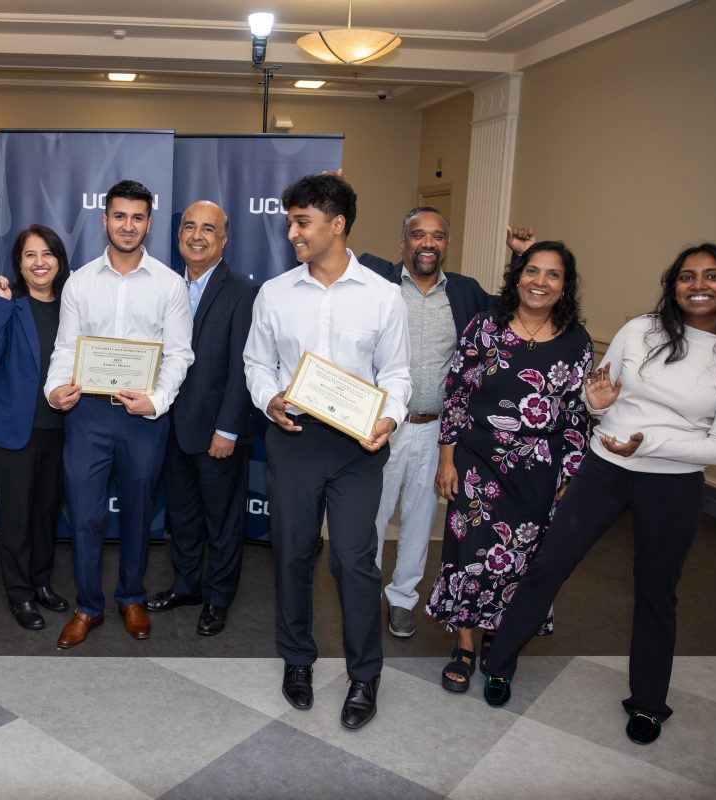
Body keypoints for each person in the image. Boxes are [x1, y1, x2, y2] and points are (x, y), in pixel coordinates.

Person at [484, 243, 716, 745]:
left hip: (674, 485)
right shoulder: (641, 330)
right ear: (673, 285)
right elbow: (598, 396)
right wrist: (593, 402)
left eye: (712, 277)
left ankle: (648, 703)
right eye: (687, 276)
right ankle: (499, 664)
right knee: (548, 564)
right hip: (605, 468)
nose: (698, 285)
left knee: (655, 593)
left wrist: (652, 443)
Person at [243, 173, 411, 730]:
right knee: (291, 553)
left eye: (301, 221)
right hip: (294, 440)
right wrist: (270, 400)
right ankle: (297, 660)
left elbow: (397, 374)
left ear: (336, 225)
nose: (291, 231)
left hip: (358, 449)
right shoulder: (274, 293)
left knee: (353, 560)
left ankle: (366, 673)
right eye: (290, 221)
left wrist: (389, 417)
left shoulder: (385, 296)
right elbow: (256, 363)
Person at [425, 240, 592, 694]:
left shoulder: (577, 340)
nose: (540, 281)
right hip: (476, 464)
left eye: (552, 274)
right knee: (467, 551)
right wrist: (446, 457)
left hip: (539, 469)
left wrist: (570, 474)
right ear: (517, 277)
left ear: (565, 285)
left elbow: (578, 413)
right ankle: (462, 643)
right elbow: (457, 393)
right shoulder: (485, 327)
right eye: (532, 271)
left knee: (520, 559)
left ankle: (501, 645)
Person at [45, 179, 194, 649]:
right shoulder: (80, 282)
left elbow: (180, 354)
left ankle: (130, 596)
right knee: (86, 517)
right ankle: (88, 605)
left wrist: (158, 400)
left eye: (137, 217)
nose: (127, 226)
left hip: (144, 419)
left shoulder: (170, 285)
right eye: (119, 216)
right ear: (104, 219)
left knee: (137, 515)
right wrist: (54, 390)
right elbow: (66, 348)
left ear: (149, 223)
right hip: (87, 416)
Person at [360, 207, 492, 638]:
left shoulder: (466, 292)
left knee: (419, 518)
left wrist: (520, 258)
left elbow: (514, 313)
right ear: (403, 243)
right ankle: (364, 594)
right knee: (371, 515)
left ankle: (402, 599)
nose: (428, 244)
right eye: (418, 235)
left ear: (446, 245)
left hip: (437, 430)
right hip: (382, 425)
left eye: (437, 236)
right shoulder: (374, 280)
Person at [145, 201, 258, 636]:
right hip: (168, 426)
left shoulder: (244, 291)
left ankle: (217, 597)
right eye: (189, 227)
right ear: (178, 238)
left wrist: (227, 428)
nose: (196, 235)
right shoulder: (167, 287)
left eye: (207, 229)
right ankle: (187, 585)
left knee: (223, 521)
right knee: (183, 516)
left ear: (223, 240)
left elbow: (243, 366)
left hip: (217, 431)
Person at [0, 225, 72, 630]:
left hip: (61, 426)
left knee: (47, 511)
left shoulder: (72, 307)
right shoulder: (8, 304)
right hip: (14, 427)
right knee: (15, 515)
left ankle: (42, 581)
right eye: (30, 255)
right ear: (18, 264)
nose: (39, 262)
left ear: (59, 261)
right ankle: (19, 593)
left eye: (47, 254)